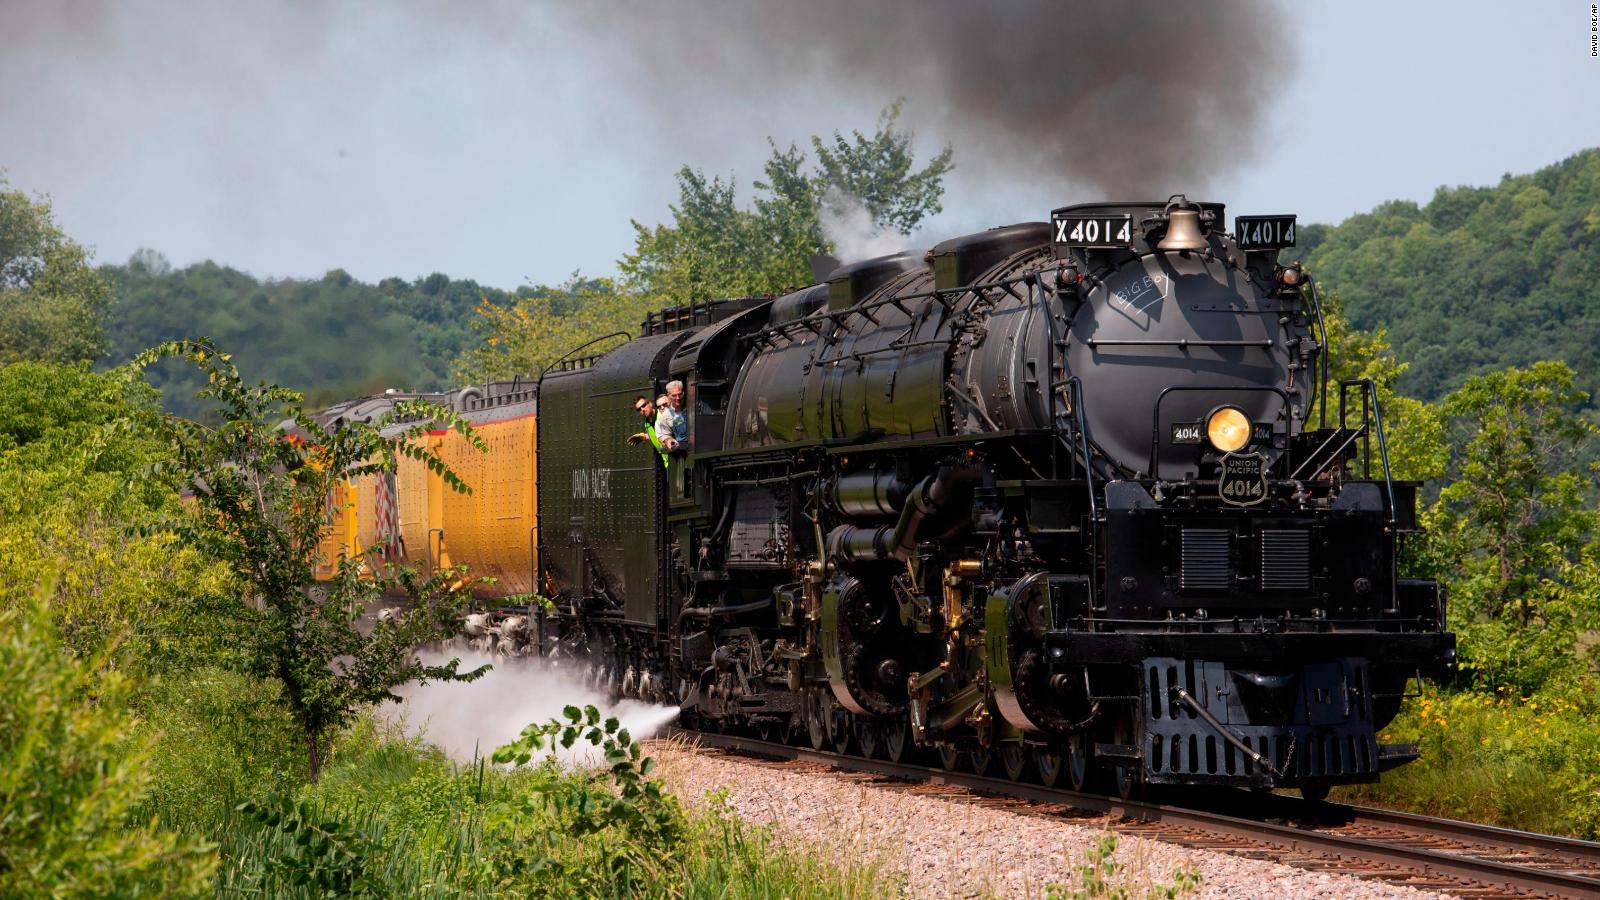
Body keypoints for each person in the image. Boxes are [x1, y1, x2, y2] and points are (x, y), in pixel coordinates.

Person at [627, 395, 668, 466]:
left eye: (644, 405)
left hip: (676, 459)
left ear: (650, 403)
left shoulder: (663, 415)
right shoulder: (647, 424)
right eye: (639, 409)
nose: (642, 409)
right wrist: (644, 436)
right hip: (667, 462)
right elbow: (656, 435)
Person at [657, 381, 687, 450]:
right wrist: (669, 440)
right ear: (668, 396)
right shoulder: (665, 416)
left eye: (680, 394)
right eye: (674, 395)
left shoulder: (692, 407)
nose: (678, 398)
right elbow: (666, 436)